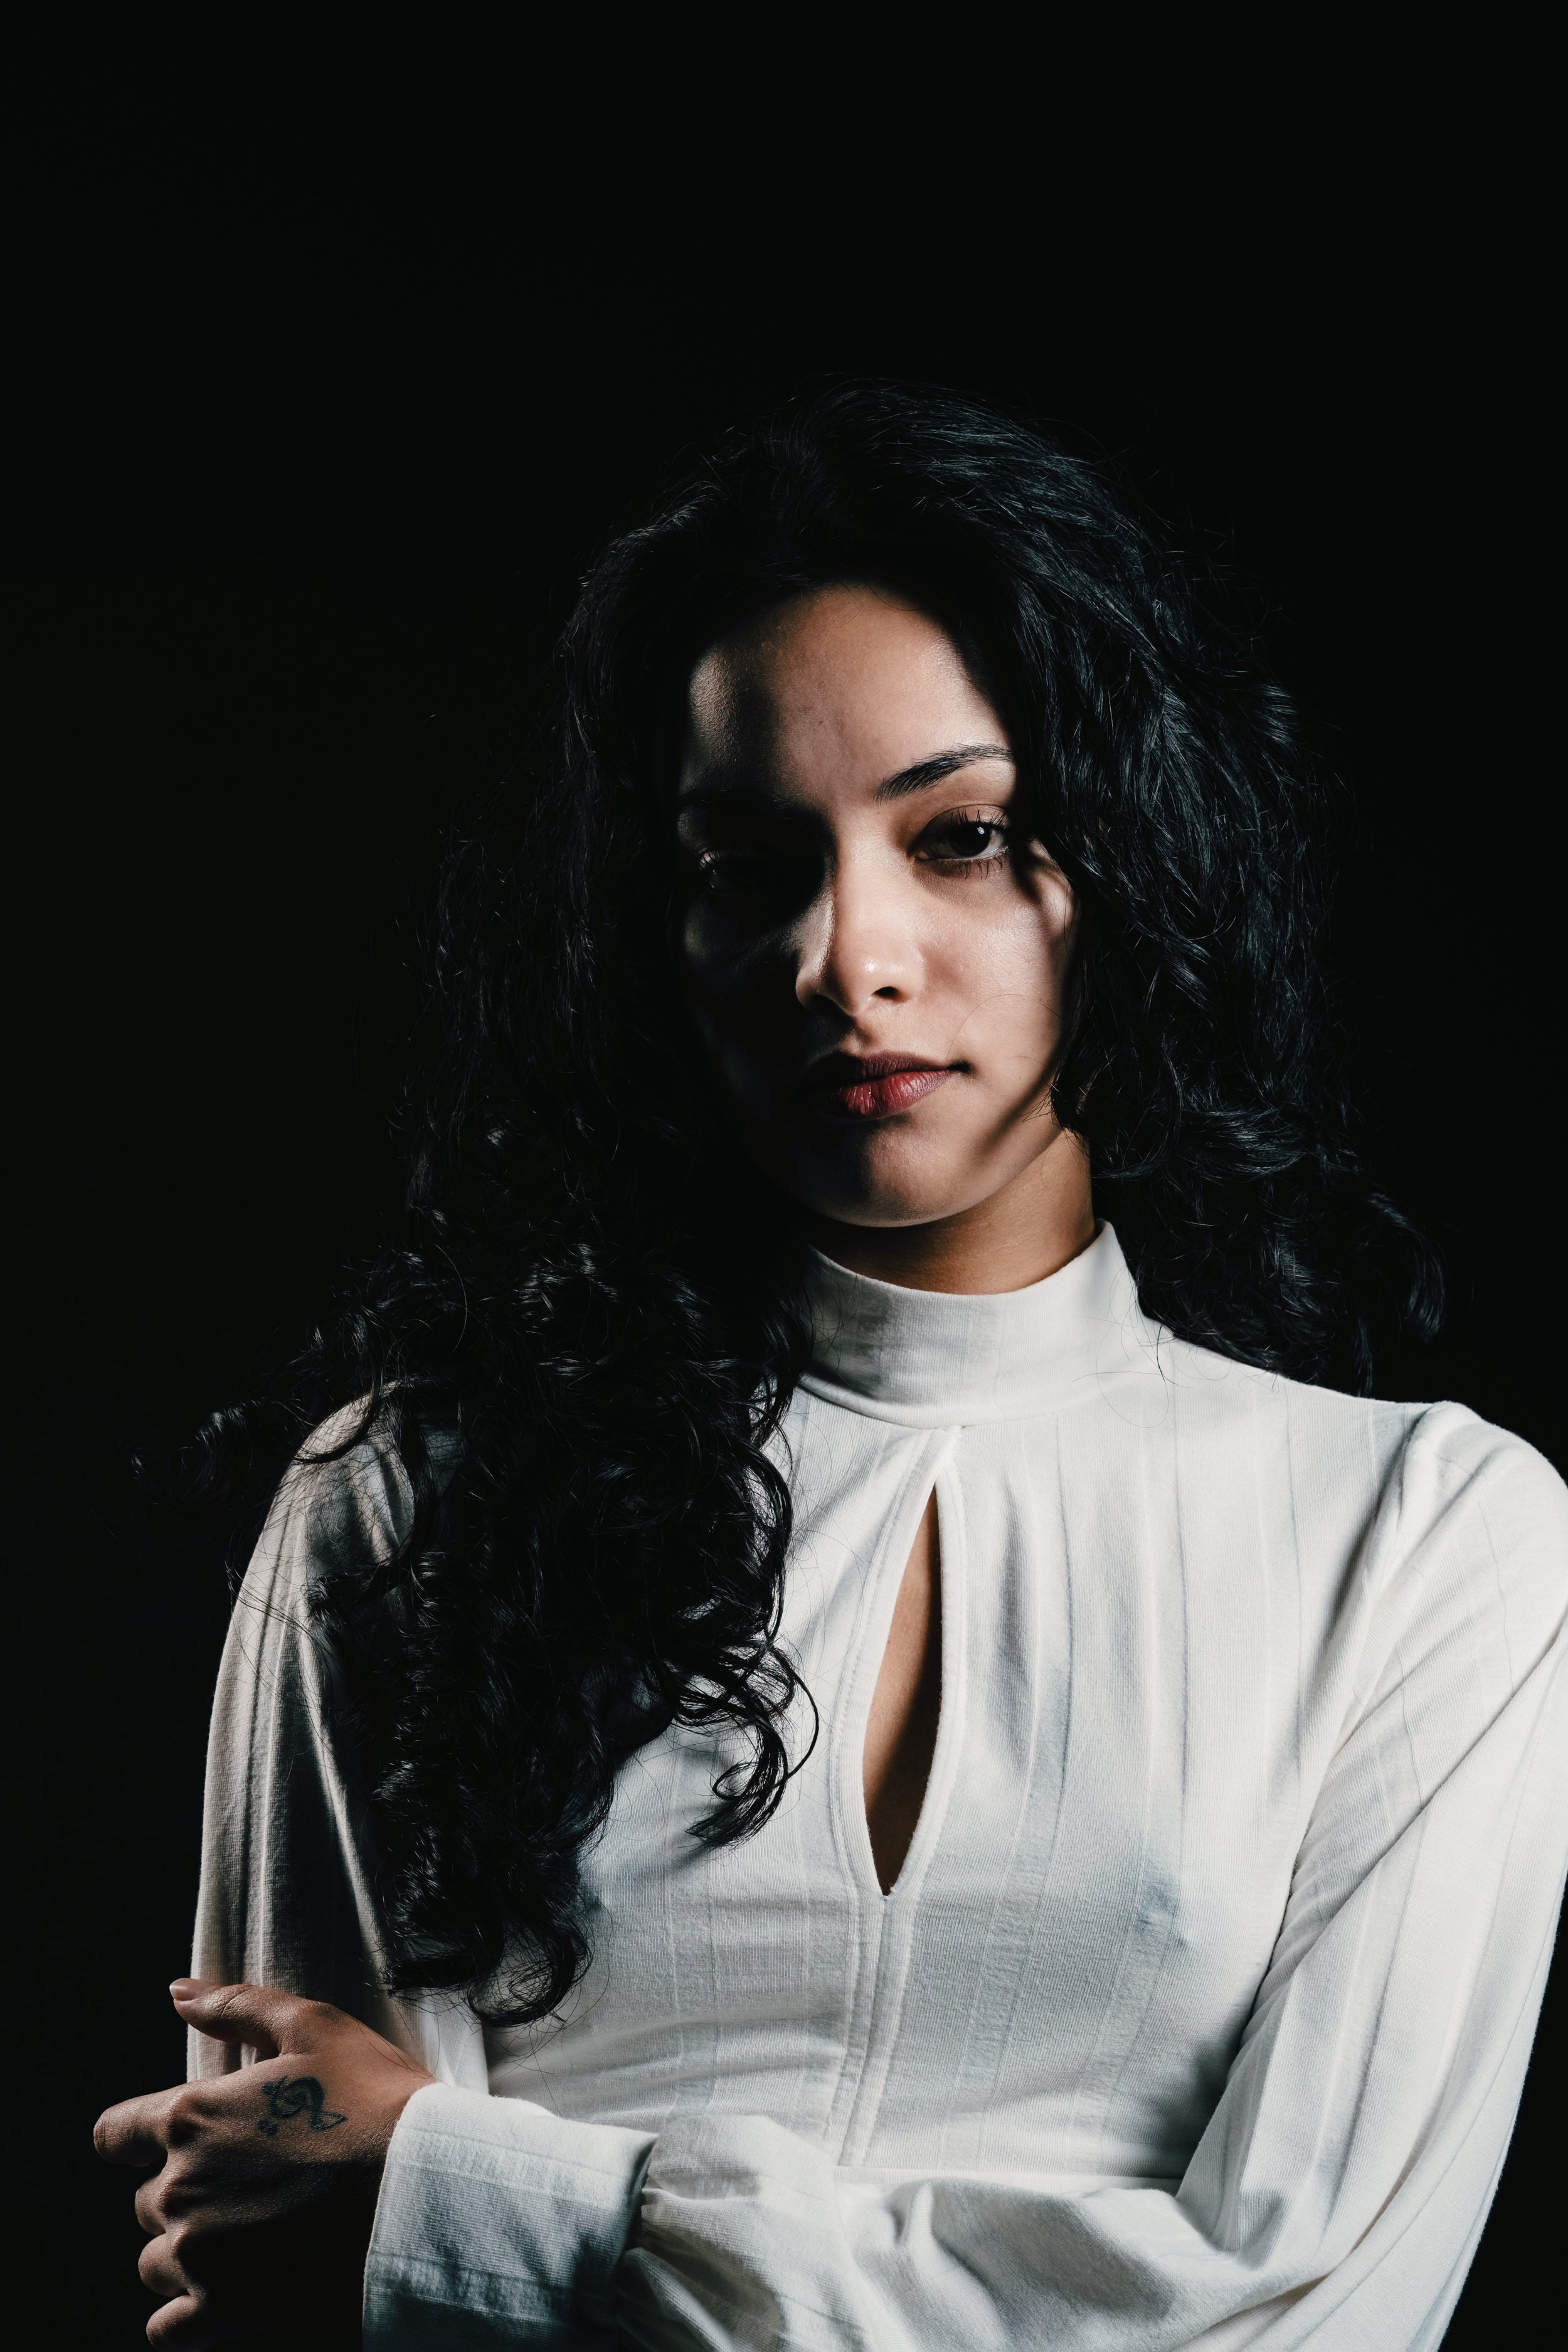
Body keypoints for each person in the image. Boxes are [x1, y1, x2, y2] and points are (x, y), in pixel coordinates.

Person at [96, 385, 1568, 2349]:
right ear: (658, 926)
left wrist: (479, 2200)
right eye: (748, 863)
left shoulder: (1421, 1537)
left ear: (1120, 871)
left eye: (962, 838)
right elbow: (297, 2287)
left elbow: (1302, 2313)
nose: (843, 956)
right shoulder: (405, 1505)